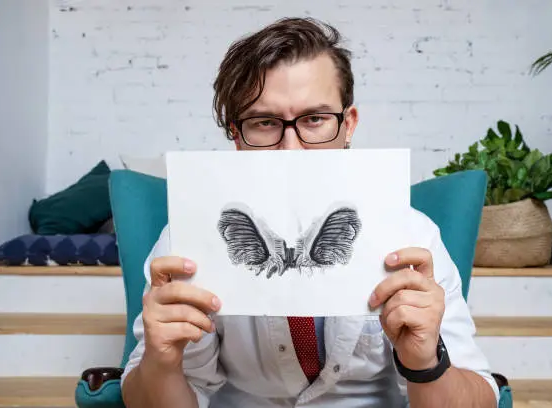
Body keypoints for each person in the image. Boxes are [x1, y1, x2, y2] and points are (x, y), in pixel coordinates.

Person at [120, 17, 499, 408]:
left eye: (314, 119)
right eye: (264, 122)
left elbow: (480, 398)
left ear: (347, 125)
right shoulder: (186, 241)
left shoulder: (413, 239)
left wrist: (425, 361)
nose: (291, 149)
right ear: (237, 135)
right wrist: (161, 364)